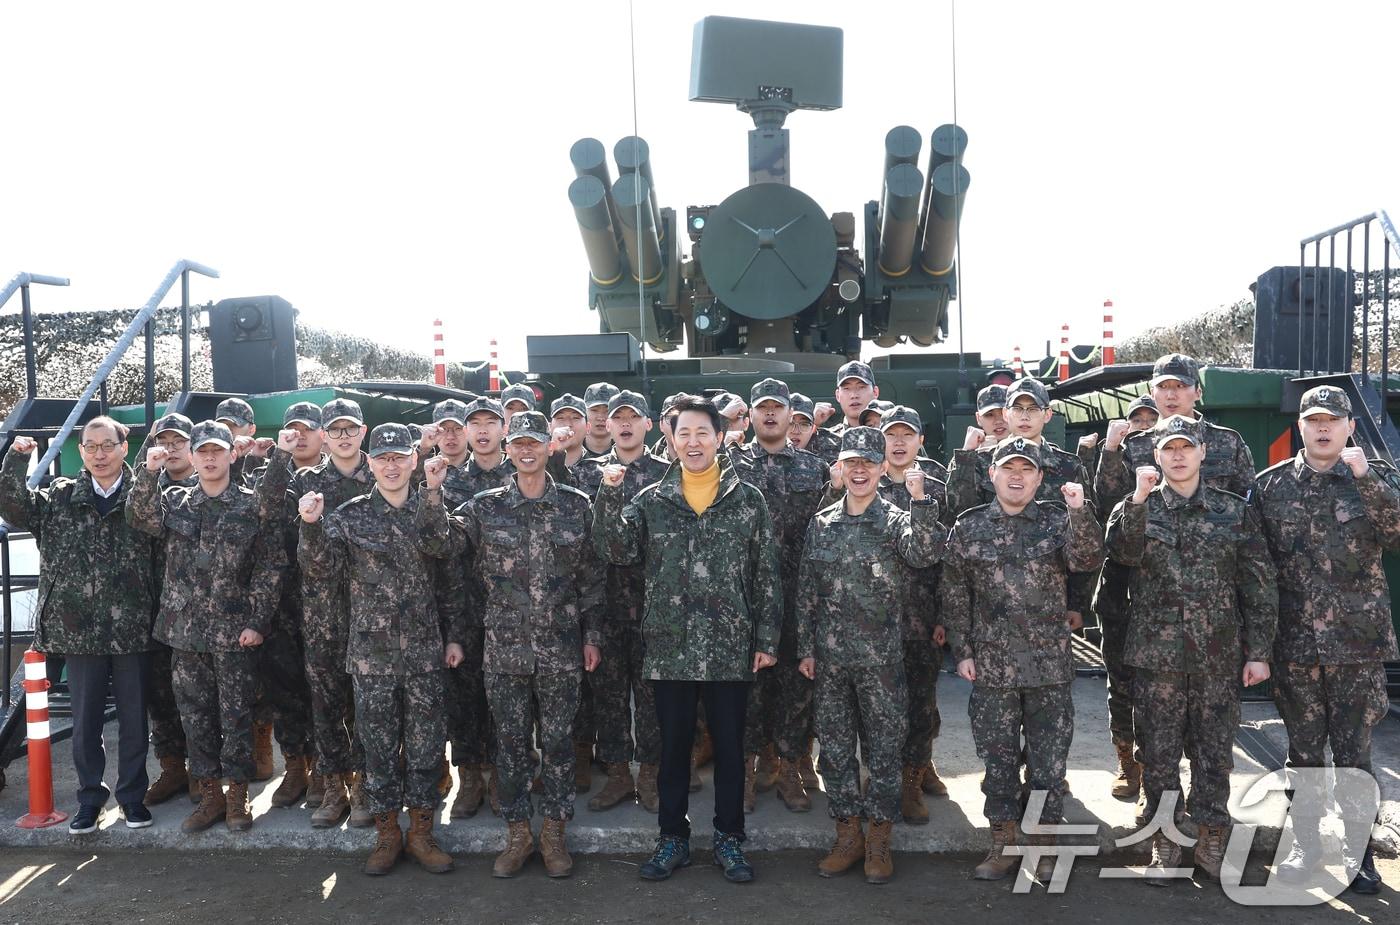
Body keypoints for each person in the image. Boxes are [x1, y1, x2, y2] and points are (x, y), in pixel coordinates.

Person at [594, 395, 781, 884]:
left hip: (730, 645)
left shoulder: (747, 499)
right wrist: (610, 495)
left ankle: (729, 840)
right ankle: (672, 838)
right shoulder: (652, 499)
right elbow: (616, 550)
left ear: (720, 437)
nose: (693, 442)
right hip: (671, 644)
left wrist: (766, 636)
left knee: (729, 748)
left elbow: (766, 575)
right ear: (671, 440)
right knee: (673, 747)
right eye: (684, 434)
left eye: (703, 432)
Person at [419, 410, 605, 878]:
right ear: (508, 448)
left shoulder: (576, 505)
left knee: (560, 744)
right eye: (518, 443)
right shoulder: (484, 507)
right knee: (512, 745)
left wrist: (593, 635)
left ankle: (555, 834)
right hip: (504, 650)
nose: (526, 451)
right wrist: (433, 490)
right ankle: (518, 833)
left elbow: (592, 578)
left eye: (534, 443)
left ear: (548, 447)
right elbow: (440, 546)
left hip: (562, 647)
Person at [1105, 415, 1277, 885]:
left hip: (1217, 655)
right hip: (1156, 656)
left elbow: (1257, 585)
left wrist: (1258, 651)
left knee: (1214, 753)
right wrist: (1138, 498)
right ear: (1155, 457)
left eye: (1186, 448)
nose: (1178, 456)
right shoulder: (1136, 508)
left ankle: (1211, 835)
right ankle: (1166, 840)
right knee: (1157, 754)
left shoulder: (1233, 511)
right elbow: (1121, 554)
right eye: (1169, 449)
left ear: (1203, 453)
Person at [298, 423, 467, 877]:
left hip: (424, 653)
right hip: (371, 656)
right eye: (382, 458)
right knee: (377, 747)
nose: (391, 466)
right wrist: (310, 527)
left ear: (414, 460)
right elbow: (321, 572)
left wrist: (453, 637)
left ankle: (422, 832)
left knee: (428, 745)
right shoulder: (349, 516)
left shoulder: (432, 508)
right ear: (370, 464)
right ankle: (388, 833)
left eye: (399, 457)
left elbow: (449, 574)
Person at [1256, 386, 1399, 894]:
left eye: (1332, 420)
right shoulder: (1270, 486)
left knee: (1356, 755)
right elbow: (1256, 569)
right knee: (1304, 756)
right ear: (1300, 425)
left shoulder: (1375, 479)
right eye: (1313, 419)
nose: (1322, 428)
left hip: (1356, 647)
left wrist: (1366, 479)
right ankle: (1307, 845)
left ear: (1349, 427)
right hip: (1295, 647)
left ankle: (1360, 854)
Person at [941, 437, 1103, 882]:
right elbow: (955, 593)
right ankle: (1003, 844)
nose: (1017, 476)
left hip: (1048, 665)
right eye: (1007, 468)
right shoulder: (969, 527)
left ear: (1039, 477)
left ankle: (1042, 844)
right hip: (992, 667)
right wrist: (963, 650)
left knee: (1049, 763)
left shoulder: (1057, 520)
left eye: (1026, 469)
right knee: (998, 760)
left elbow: (1087, 558)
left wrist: (1078, 511)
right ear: (991, 474)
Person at [795, 426, 944, 883]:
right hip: (832, 659)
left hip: (881, 660)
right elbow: (807, 591)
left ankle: (879, 836)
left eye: (868, 463)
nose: (859, 471)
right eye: (851, 464)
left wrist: (920, 502)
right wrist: (805, 648)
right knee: (836, 751)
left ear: (882, 469)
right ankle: (847, 833)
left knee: (883, 750)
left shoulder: (898, 519)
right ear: (839, 469)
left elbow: (924, 553)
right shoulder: (822, 524)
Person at [127, 420, 285, 834]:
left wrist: (257, 622)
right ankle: (209, 795)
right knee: (194, 717)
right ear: (193, 458)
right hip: (186, 633)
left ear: (233, 454)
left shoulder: (252, 506)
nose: (211, 458)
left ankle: (236, 798)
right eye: (203, 452)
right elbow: (138, 515)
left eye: (218, 450)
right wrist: (148, 470)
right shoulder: (176, 501)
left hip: (234, 635)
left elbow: (270, 567)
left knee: (234, 717)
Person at [1, 421, 158, 833]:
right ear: (81, 451)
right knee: (85, 724)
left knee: (133, 722)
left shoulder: (142, 496)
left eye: (109, 445)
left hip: (132, 627)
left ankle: (132, 799)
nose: (99, 453)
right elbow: (12, 506)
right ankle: (90, 799)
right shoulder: (60, 497)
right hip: (78, 631)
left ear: (125, 448)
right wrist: (17, 459)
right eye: (91, 446)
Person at [257, 397, 375, 827]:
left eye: (351, 429)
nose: (343, 437)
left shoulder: (381, 474)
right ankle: (333, 787)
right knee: (325, 706)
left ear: (363, 431)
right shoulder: (308, 479)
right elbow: (266, 507)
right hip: (322, 614)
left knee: (365, 707)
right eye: (335, 430)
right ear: (324, 436)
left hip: (372, 615)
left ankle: (364, 787)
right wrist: (281, 454)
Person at [561, 391, 670, 813]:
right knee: (607, 695)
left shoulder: (667, 474)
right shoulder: (586, 476)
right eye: (615, 417)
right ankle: (619, 773)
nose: (623, 424)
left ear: (648, 424)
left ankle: (652, 775)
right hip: (603, 605)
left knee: (651, 697)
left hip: (652, 606)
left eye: (632, 417)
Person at [729, 378, 830, 815]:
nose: (770, 414)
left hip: (796, 597)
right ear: (750, 415)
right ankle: (747, 771)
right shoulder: (727, 463)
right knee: (746, 689)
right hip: (744, 597)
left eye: (778, 407)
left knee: (794, 688)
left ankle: (790, 769)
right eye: (762, 407)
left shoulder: (814, 468)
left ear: (793, 416)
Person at [1085, 394, 1158, 801]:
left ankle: (1155, 765)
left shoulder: (1178, 455)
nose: (1144, 425)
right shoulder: (1121, 457)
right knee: (1122, 686)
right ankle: (1127, 761)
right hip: (1119, 594)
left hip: (1162, 599)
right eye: (1137, 420)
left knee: (1158, 691)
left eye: (1151, 418)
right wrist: (1111, 449)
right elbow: (1107, 501)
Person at [254, 401, 321, 809]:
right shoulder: (274, 471)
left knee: (328, 691)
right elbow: (266, 505)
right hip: (281, 600)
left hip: (326, 601)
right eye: (292, 430)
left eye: (307, 430)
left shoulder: (337, 474)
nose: (299, 437)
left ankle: (332, 770)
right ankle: (297, 765)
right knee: (285, 688)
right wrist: (278, 456)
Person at [133, 413, 200, 807]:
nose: (172, 449)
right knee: (160, 695)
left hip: (195, 610)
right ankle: (173, 767)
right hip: (153, 606)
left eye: (179, 441)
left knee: (197, 697)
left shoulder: (206, 483)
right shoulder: (146, 486)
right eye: (164, 441)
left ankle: (203, 772)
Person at [1094, 353, 1256, 503]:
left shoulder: (1228, 441)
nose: (1171, 395)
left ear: (1198, 392)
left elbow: (1248, 500)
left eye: (1180, 386)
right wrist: (1110, 450)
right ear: (1152, 393)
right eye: (1163, 387)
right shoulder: (1136, 445)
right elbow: (1109, 503)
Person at [789, 392, 841, 465]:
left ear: (812, 428)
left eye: (804, 424)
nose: (796, 431)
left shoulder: (831, 449)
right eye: (790, 424)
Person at [582, 382, 620, 457]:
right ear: (585, 412)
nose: (600, 417)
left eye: (607, 411)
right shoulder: (571, 453)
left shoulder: (628, 453)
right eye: (594, 410)